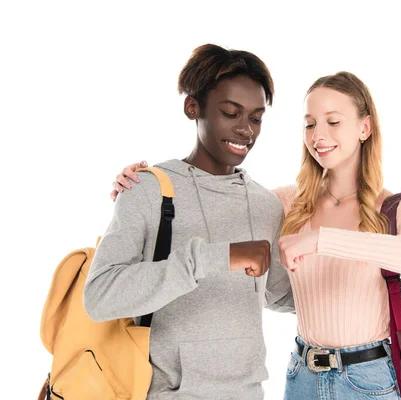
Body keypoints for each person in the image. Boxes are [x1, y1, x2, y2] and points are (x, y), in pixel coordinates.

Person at [113, 72, 401, 400]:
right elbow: (212, 211)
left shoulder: (396, 207)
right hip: (301, 375)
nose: (318, 134)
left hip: (368, 379)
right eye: (310, 123)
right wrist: (144, 189)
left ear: (365, 127)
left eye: (333, 121)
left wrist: (320, 239)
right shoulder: (288, 203)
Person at [84, 43, 294, 400]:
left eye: (256, 118)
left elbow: (278, 293)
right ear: (192, 107)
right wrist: (216, 258)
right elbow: (100, 296)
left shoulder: (265, 204)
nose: (246, 130)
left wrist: (354, 282)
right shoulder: (148, 189)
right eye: (231, 112)